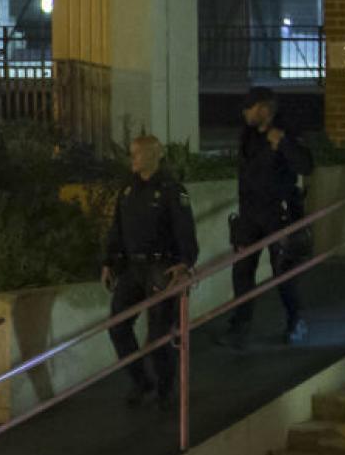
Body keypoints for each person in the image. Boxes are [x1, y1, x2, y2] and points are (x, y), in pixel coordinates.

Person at [101, 136, 200, 409]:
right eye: (132, 153)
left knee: (158, 335)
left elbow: (185, 229)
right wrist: (108, 262)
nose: (132, 158)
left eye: (137, 153)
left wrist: (185, 262)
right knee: (118, 326)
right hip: (132, 268)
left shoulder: (172, 190)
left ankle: (165, 388)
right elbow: (116, 229)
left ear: (154, 156)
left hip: (160, 267)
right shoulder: (127, 190)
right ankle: (141, 381)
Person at [221, 87, 315, 350]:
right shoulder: (248, 135)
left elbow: (306, 165)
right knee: (242, 271)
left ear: (264, 109)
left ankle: (296, 320)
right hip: (250, 214)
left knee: (283, 271)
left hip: (279, 213)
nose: (245, 113)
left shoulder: (287, 132)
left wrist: (283, 143)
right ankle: (240, 325)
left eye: (249, 108)